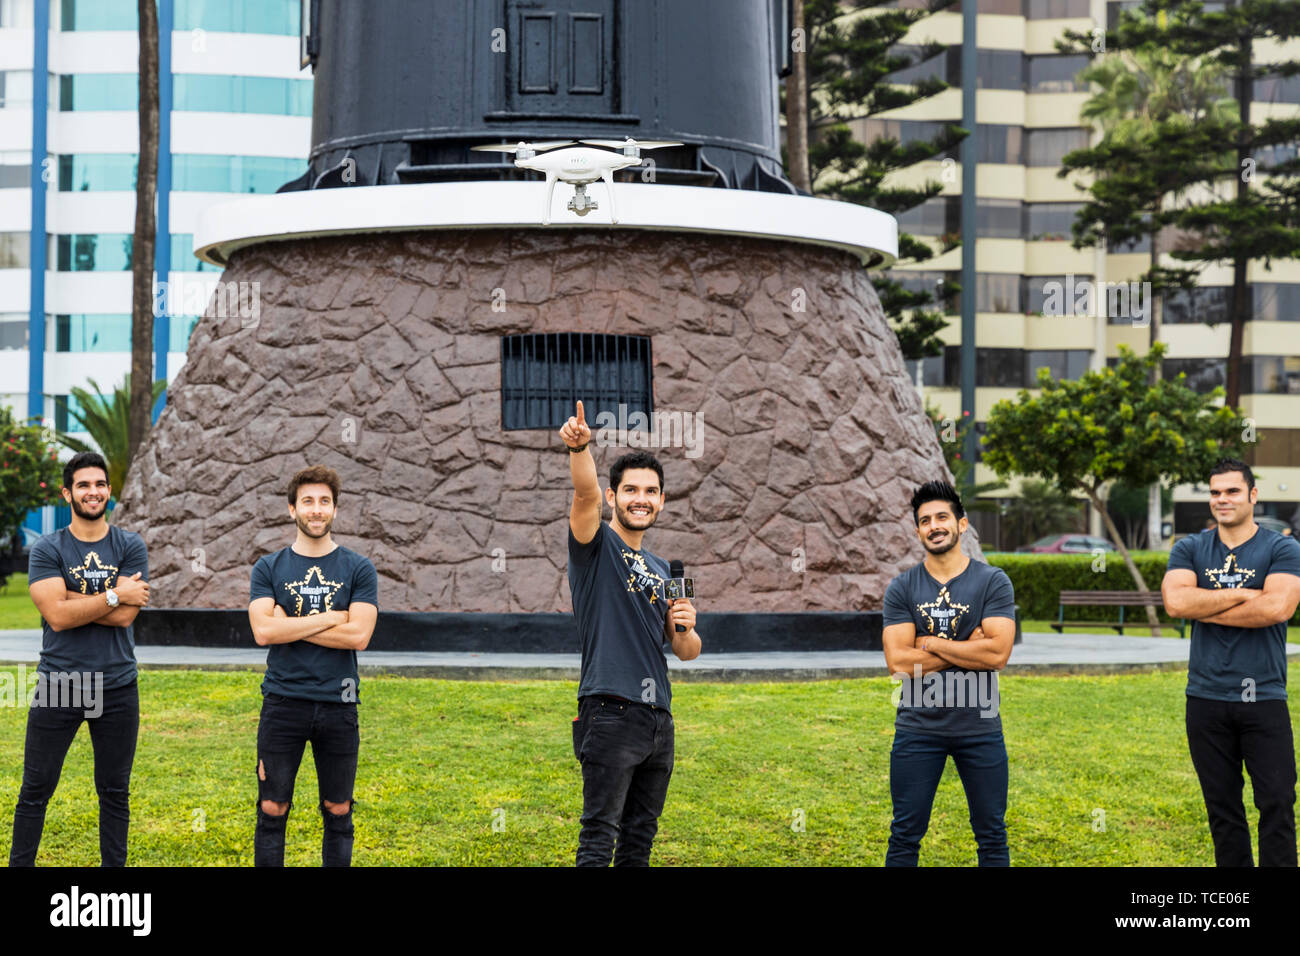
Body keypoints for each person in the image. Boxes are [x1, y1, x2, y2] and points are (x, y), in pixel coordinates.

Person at [561, 400, 702, 866]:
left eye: (651, 491)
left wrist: (685, 623)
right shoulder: (595, 546)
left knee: (639, 843)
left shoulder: (664, 570)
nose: (641, 498)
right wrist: (581, 449)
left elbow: (686, 651)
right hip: (609, 710)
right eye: (631, 490)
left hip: (658, 720)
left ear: (661, 500)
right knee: (599, 837)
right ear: (613, 495)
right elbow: (583, 497)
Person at [10, 451, 150, 866]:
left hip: (118, 686)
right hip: (59, 685)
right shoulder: (47, 548)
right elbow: (57, 615)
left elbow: (127, 614)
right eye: (84, 485)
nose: (93, 492)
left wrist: (71, 597)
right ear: (67, 492)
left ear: (109, 491)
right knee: (35, 789)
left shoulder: (129, 545)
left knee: (114, 792)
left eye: (100, 484)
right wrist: (111, 594)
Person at [1162, 457, 1300, 866]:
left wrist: (1202, 604)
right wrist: (1248, 594)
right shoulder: (1189, 547)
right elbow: (1175, 602)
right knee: (1223, 811)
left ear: (1252, 495)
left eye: (1232, 491)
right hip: (1205, 698)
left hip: (1264, 697)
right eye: (1215, 492)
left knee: (1277, 804)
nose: (1222, 499)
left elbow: (1277, 609)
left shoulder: (1282, 547)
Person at [247, 465, 378, 867]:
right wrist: (331, 617)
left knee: (338, 809)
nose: (316, 510)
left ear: (335, 510)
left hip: (339, 707)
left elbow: (359, 637)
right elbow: (263, 633)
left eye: (324, 502)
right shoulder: (268, 568)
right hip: (283, 704)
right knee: (272, 808)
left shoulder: (359, 569)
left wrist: (290, 624)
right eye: (308, 501)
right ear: (292, 509)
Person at [881, 480, 1016, 866]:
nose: (934, 525)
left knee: (992, 836)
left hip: (981, 727)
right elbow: (899, 664)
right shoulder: (902, 588)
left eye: (942, 517)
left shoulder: (992, 581)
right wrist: (967, 646)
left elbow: (998, 653)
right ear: (917, 530)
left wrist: (931, 643)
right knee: (905, 834)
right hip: (918, 728)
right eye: (925, 520)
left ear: (962, 524)